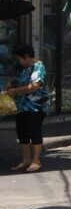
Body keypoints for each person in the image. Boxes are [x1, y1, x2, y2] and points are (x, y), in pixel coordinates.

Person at [5, 44, 50, 172]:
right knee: (22, 132)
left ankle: (36, 161)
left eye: (19, 58)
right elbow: (14, 80)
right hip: (21, 105)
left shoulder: (38, 67)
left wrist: (16, 91)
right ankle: (26, 160)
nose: (18, 61)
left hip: (36, 106)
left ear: (26, 56)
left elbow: (34, 86)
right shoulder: (21, 68)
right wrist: (10, 84)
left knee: (34, 130)